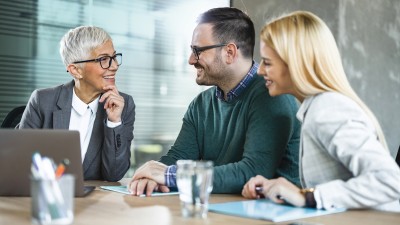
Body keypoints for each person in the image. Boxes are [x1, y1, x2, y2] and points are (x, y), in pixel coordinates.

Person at [128, 7, 301, 196]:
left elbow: (254, 171)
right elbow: (178, 158)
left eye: (198, 50)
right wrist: (151, 177)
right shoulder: (201, 104)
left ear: (229, 52)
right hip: (225, 211)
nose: (191, 60)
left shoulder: (272, 96)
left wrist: (169, 175)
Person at [242, 11, 400, 212]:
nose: (259, 70)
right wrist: (278, 187)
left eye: (268, 62)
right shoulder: (316, 107)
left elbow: (390, 181)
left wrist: (308, 197)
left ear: (297, 63)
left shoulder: (328, 109)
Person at [19, 26, 135, 182]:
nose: (114, 66)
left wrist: (114, 122)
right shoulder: (42, 101)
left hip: (95, 201)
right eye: (104, 59)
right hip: (48, 195)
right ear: (75, 70)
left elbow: (114, 174)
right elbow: (21, 164)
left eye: (114, 57)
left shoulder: (124, 105)